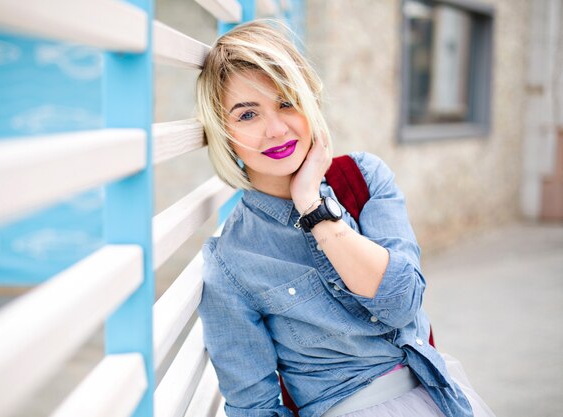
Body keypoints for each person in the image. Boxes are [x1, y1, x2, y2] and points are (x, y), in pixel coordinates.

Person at [195, 20, 495, 417]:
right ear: (224, 131)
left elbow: (402, 303)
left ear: (309, 102)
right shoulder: (232, 260)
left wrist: (314, 208)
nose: (276, 129)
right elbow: (254, 407)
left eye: (286, 102)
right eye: (247, 115)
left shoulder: (364, 178)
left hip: (439, 394)